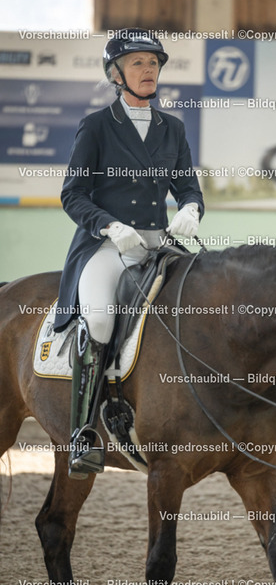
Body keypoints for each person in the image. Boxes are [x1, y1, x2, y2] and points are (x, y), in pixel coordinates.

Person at [53, 28, 204, 479]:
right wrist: (109, 225)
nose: (148, 69)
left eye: (153, 62)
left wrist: (191, 209)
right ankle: (83, 433)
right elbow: (73, 194)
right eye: (137, 62)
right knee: (100, 320)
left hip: (158, 244)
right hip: (108, 246)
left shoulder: (172, 128)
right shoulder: (97, 126)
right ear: (116, 74)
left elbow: (188, 187)